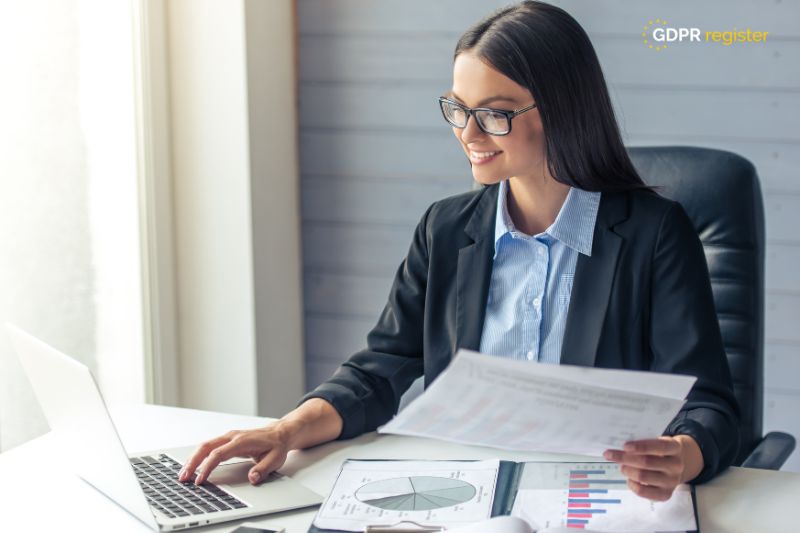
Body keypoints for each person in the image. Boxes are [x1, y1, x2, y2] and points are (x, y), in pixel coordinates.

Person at [179, 1, 740, 502]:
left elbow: (707, 405)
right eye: (457, 108)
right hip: (464, 494)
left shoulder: (653, 234)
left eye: (494, 113)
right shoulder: (446, 230)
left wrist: (681, 456)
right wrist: (284, 430)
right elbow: (379, 373)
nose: (468, 133)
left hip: (597, 499)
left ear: (561, 109)